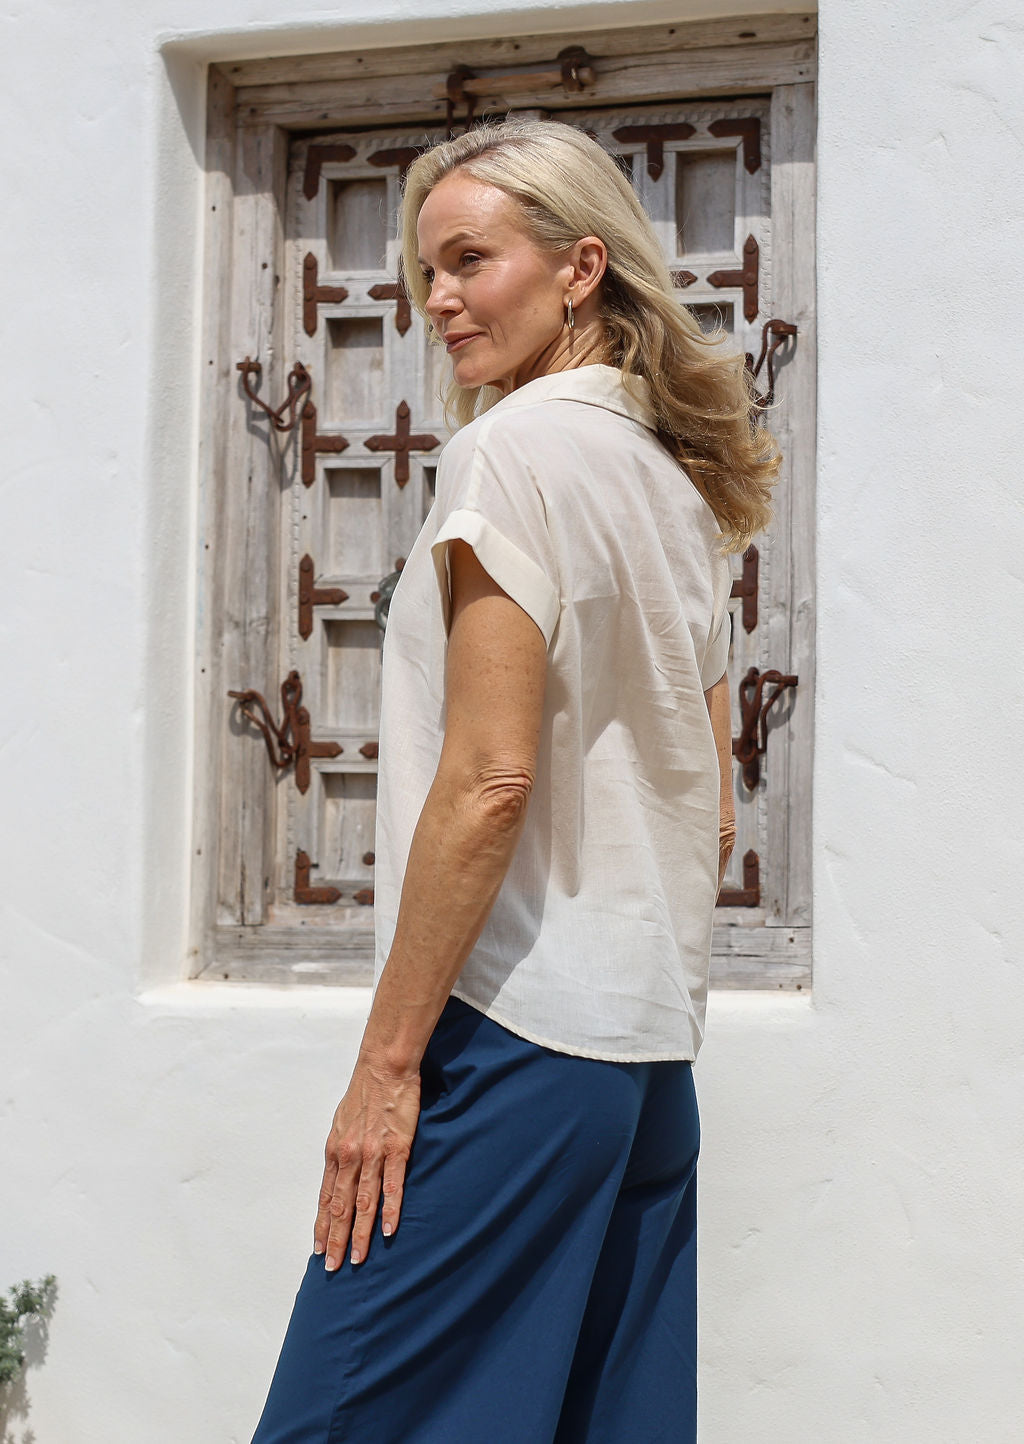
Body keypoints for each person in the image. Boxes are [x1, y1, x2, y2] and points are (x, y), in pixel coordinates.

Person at [250, 118, 779, 1444]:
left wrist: (386, 1067)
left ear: (580, 267)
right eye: (427, 269)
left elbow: (491, 777)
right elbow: (713, 806)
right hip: (647, 1058)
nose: (435, 299)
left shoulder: (512, 455)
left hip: (516, 1038)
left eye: (469, 259)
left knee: (341, 1420)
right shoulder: (679, 484)